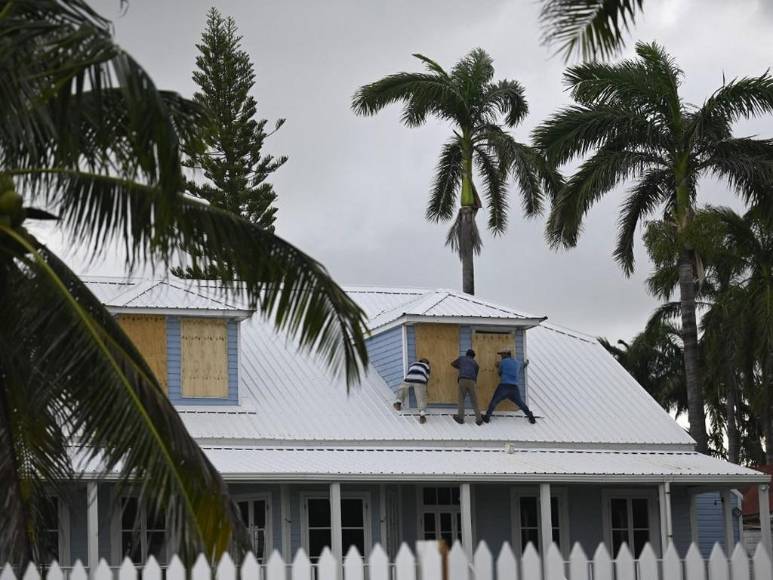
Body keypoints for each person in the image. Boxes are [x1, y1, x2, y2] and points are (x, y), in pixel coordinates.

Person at [483, 350, 536, 424]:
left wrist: (498, 366)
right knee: (520, 403)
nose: (501, 357)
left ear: (506, 355)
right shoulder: (517, 363)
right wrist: (526, 363)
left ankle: (487, 417)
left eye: (502, 355)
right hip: (514, 388)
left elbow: (499, 373)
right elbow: (523, 365)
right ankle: (531, 417)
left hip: (504, 386)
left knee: (494, 401)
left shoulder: (503, 362)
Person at [451, 349, 483, 425]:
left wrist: (461, 367)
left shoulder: (462, 358)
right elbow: (476, 372)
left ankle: (460, 418)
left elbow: (452, 364)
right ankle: (479, 419)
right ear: (473, 356)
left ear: (466, 354)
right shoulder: (475, 363)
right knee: (474, 400)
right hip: (472, 381)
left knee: (461, 399)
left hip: (463, 379)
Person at [394, 358, 431, 423]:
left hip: (409, 378)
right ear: (427, 363)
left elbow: (409, 372)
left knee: (402, 389)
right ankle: (422, 415)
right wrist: (424, 386)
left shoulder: (413, 364)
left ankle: (398, 403)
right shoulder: (427, 366)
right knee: (421, 397)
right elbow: (427, 377)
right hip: (420, 380)